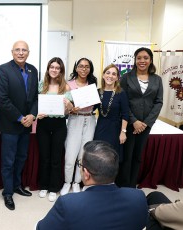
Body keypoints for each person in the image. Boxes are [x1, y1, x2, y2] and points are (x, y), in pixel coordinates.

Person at [36, 140, 148, 230]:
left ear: (86, 174)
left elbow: (40, 228)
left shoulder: (68, 204)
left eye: (80, 164)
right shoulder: (138, 197)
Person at [0, 40, 38, 210]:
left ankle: (17, 185)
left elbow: (35, 97)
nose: (21, 53)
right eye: (17, 50)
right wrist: (21, 117)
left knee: (21, 157)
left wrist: (32, 115)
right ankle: (8, 193)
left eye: (24, 50)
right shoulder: (4, 69)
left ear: (28, 52)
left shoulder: (33, 70)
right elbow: (2, 99)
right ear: (12, 52)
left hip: (26, 124)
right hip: (10, 124)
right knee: (8, 160)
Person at [117, 47, 163, 188]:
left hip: (145, 125)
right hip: (129, 124)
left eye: (145, 58)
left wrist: (145, 123)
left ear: (150, 60)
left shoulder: (157, 79)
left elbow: (158, 102)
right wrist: (134, 121)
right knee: (127, 156)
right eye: (139, 58)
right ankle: (123, 185)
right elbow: (122, 101)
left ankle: (132, 186)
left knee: (137, 157)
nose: (142, 61)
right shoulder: (126, 77)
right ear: (135, 60)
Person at [36, 57, 73, 202]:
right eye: (52, 67)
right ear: (48, 68)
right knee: (44, 157)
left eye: (57, 68)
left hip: (59, 124)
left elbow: (68, 112)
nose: (54, 70)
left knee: (56, 158)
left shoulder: (66, 87)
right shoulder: (41, 85)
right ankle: (44, 186)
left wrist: (69, 105)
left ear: (61, 70)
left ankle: (53, 188)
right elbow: (35, 104)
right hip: (43, 123)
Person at [60, 58, 97, 195]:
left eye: (87, 66)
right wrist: (70, 109)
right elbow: (63, 109)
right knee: (70, 155)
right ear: (76, 68)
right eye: (81, 66)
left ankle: (77, 182)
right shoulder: (68, 84)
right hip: (75, 119)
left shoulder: (92, 84)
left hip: (90, 119)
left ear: (90, 69)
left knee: (83, 154)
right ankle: (67, 182)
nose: (84, 69)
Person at [93, 64, 129, 163]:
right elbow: (91, 108)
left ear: (117, 77)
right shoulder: (97, 92)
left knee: (112, 158)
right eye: (108, 73)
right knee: (98, 156)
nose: (110, 76)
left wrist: (123, 132)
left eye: (114, 74)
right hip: (100, 128)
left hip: (115, 130)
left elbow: (125, 114)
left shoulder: (121, 93)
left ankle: (111, 179)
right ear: (103, 75)